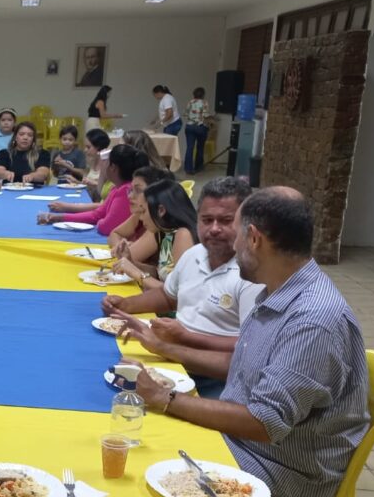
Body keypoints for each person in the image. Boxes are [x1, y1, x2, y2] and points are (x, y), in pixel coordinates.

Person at [128, 187, 368, 497]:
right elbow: (242, 370)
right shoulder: (277, 291)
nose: (233, 247)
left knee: (141, 481)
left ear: (253, 238)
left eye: (236, 233)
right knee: (141, 439)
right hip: (244, 446)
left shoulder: (313, 320)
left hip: (284, 478)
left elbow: (264, 422)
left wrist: (166, 398)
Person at [103, 177, 261, 398]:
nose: (214, 229)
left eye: (225, 220)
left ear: (245, 223)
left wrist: (184, 337)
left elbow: (249, 347)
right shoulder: (193, 255)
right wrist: (125, 304)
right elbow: (168, 296)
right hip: (172, 360)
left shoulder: (252, 274)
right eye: (207, 220)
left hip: (216, 379)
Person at [39, 144, 148, 236]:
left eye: (105, 162)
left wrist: (100, 221)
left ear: (113, 167)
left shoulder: (125, 191)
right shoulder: (117, 187)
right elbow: (97, 215)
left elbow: (106, 227)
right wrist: (60, 217)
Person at [112, 179, 198, 290]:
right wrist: (132, 263)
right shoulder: (166, 233)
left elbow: (178, 293)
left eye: (143, 211)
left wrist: (137, 273)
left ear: (161, 210)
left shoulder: (183, 235)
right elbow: (161, 274)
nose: (141, 218)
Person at [106, 165, 175, 247]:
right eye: (131, 190)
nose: (130, 196)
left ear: (154, 192)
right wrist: (119, 245)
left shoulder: (157, 224)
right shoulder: (138, 214)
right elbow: (114, 234)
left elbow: (132, 254)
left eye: (138, 190)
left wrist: (125, 249)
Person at [0, 121, 51, 186]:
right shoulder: (4, 153)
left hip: (34, 192)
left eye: (30, 135)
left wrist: (32, 176)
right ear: (15, 137)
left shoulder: (42, 154)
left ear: (33, 139)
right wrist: (5, 174)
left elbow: (43, 174)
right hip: (9, 191)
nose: (25, 138)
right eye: (21, 134)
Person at [184, 87, 212, 174]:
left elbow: (185, 114)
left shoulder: (190, 102)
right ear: (203, 95)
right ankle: (198, 167)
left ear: (194, 94)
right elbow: (206, 116)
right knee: (200, 147)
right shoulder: (205, 103)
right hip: (201, 127)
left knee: (190, 148)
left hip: (189, 127)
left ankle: (188, 169)